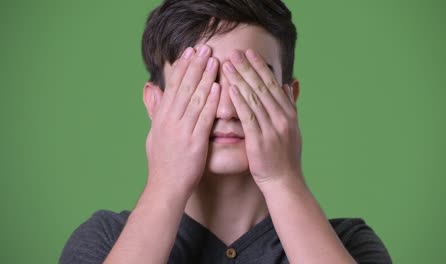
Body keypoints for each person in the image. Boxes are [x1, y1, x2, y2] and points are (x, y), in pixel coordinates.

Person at [59, 0, 392, 263]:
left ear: (289, 98)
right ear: (155, 103)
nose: (226, 109)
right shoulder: (104, 240)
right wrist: (166, 184)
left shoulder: (349, 244)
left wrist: (282, 179)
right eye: (200, 84)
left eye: (251, 81)